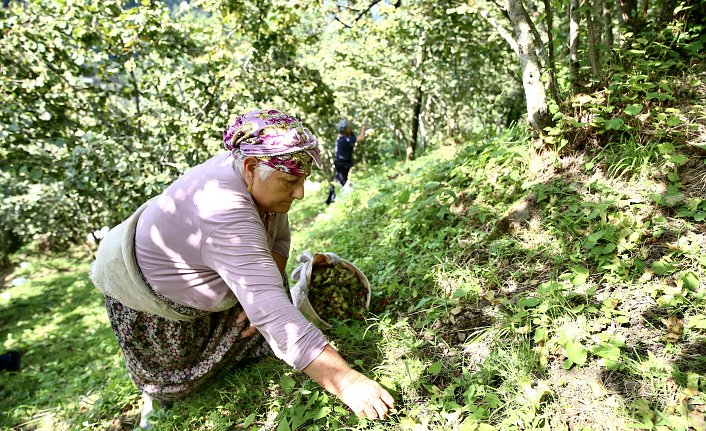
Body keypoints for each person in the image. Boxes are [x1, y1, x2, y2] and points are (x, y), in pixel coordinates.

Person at [89, 109, 394, 429]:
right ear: (250, 169)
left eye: (303, 180)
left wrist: (262, 295)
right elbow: (274, 314)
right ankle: (156, 399)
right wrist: (346, 381)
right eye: (290, 181)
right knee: (175, 377)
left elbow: (280, 241)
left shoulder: (258, 174)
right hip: (142, 287)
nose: (300, 193)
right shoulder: (225, 213)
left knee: (255, 327)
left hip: (202, 273)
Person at [326, 118, 371, 205]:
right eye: (348, 128)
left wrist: (365, 131)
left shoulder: (345, 138)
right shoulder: (344, 140)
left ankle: (331, 200)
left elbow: (358, 137)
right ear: (345, 130)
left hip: (342, 163)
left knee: (338, 181)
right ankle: (334, 200)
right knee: (341, 182)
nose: (350, 129)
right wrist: (363, 126)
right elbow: (361, 138)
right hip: (342, 163)